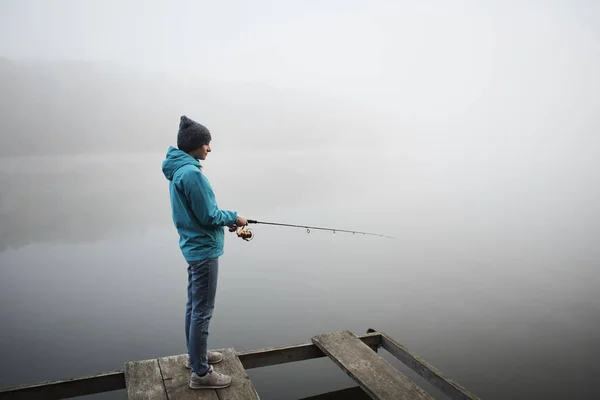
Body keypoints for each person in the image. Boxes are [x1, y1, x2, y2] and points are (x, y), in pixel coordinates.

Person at [161, 115, 248, 390]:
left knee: (194, 307)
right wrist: (235, 216)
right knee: (202, 311)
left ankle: (195, 356)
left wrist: (227, 221)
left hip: (193, 246)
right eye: (206, 143)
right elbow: (209, 215)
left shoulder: (180, 171)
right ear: (195, 145)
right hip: (203, 250)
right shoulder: (191, 174)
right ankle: (200, 373)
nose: (209, 148)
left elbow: (200, 215)